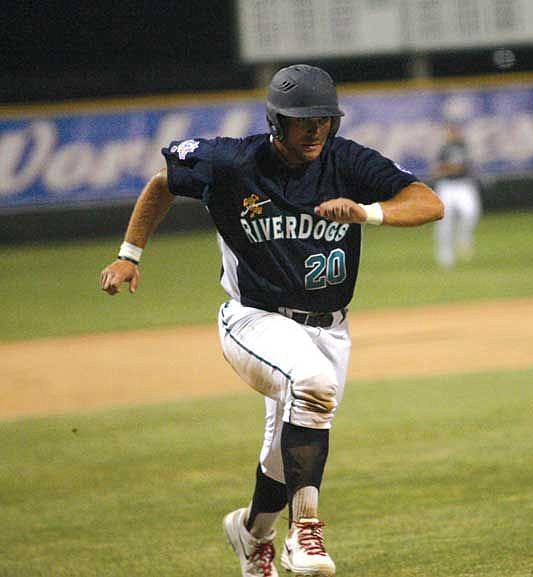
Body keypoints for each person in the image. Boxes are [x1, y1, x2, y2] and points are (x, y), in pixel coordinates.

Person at [99, 64, 443, 577]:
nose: (316, 130)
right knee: (313, 384)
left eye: (325, 119)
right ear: (276, 121)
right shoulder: (232, 161)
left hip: (329, 328)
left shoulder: (345, 161)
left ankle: (252, 532)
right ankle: (305, 535)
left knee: (286, 451)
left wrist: (368, 213)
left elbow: (428, 202)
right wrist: (130, 254)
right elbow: (162, 183)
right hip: (252, 320)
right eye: (304, 120)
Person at [432, 122, 482, 269]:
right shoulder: (443, 149)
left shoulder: (464, 147)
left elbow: (466, 166)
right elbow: (437, 170)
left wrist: (451, 168)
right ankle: (445, 256)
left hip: (464, 185)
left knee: (471, 213)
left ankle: (464, 237)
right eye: (451, 131)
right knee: (444, 222)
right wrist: (451, 169)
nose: (453, 134)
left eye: (455, 131)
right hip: (447, 186)